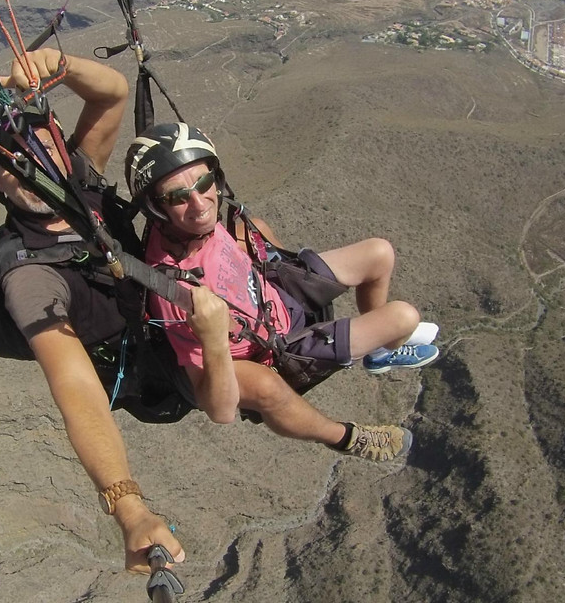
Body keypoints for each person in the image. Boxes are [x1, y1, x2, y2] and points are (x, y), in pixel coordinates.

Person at [0, 47, 183, 573]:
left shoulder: (81, 179)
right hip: (154, 374)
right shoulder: (28, 277)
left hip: (164, 317)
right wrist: (128, 507)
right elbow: (76, 389)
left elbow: (111, 92)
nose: (31, 171)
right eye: (12, 164)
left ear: (63, 152)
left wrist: (54, 63)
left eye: (42, 152)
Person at [125, 122, 440, 461]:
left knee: (379, 253)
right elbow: (220, 410)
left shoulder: (185, 227)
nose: (200, 203)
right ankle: (346, 437)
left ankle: (383, 352)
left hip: (272, 298)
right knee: (404, 317)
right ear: (158, 208)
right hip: (272, 349)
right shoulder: (179, 292)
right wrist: (214, 337)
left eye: (205, 183)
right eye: (177, 196)